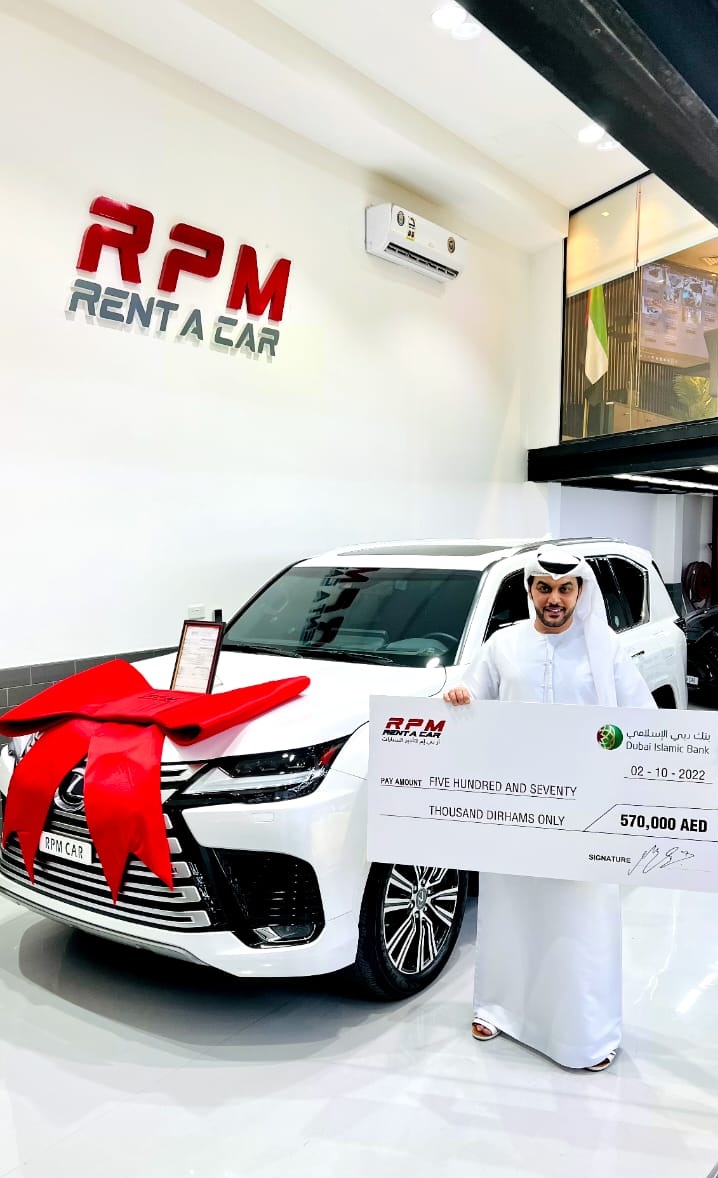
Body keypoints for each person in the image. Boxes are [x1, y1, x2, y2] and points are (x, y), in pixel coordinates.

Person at [443, 547, 656, 1072]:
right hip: (515, 808)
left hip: (586, 815)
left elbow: (644, 720)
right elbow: (473, 695)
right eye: (544, 588)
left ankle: (585, 1034)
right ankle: (498, 1009)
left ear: (580, 592)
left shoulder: (604, 650)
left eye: (565, 589)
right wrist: (459, 699)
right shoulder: (504, 643)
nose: (554, 599)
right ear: (530, 590)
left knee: (580, 919)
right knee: (509, 907)